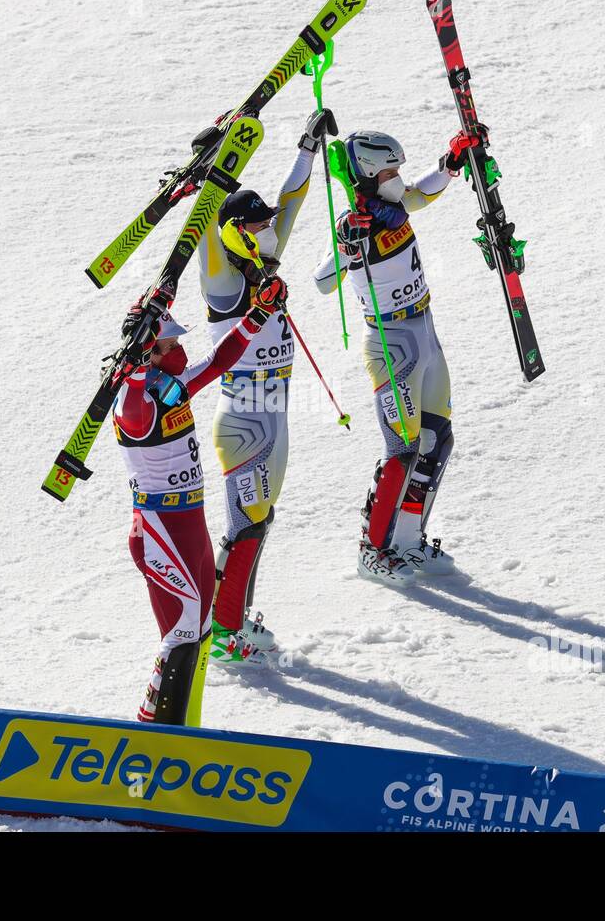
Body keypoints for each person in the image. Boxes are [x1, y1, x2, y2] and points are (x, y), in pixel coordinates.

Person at [195, 108, 337, 664]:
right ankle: (224, 633)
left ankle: (233, 620)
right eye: (254, 225)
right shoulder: (224, 276)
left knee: (259, 521)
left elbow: (292, 201)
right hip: (245, 415)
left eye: (263, 225)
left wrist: (307, 146)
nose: (266, 230)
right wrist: (214, 167)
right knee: (246, 524)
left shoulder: (264, 256)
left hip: (273, 412)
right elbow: (208, 228)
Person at [312, 128, 481, 586]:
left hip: (424, 328)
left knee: (438, 436)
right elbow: (323, 280)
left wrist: (451, 163)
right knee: (402, 449)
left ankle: (408, 538)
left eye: (399, 170)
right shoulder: (357, 223)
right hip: (391, 344)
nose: (397, 179)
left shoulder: (393, 208)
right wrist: (347, 245)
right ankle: (373, 548)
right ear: (367, 175)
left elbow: (420, 194)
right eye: (389, 172)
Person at [114, 280, 288, 724]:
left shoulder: (169, 386)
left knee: (201, 631)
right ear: (148, 353)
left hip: (189, 525)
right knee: (182, 633)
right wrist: (134, 369)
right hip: (159, 530)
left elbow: (219, 361)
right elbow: (134, 410)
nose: (179, 351)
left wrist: (258, 316)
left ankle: (184, 724)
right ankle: (155, 728)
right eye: (169, 344)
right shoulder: (135, 400)